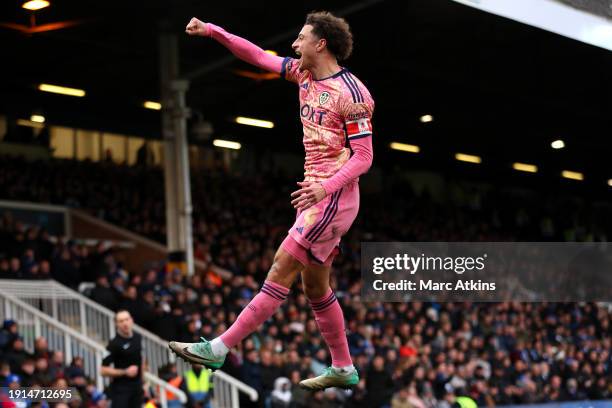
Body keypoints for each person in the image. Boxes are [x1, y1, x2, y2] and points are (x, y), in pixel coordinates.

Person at [170, 10, 374, 391]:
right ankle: (343, 367)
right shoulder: (303, 73)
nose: (294, 44)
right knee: (315, 287)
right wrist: (213, 30)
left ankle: (219, 347)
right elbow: (257, 56)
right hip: (315, 195)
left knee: (281, 266)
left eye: (300, 38)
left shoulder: (354, 94)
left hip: (332, 196)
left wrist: (325, 188)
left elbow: (364, 157)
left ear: (321, 43)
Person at [100, 310, 143, 407]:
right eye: (121, 321)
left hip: (137, 388)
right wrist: (125, 372)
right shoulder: (113, 344)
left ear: (131, 320)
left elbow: (140, 360)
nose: (125, 323)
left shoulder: (138, 338)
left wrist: (142, 383)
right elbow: (103, 371)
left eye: (126, 319)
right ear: (116, 324)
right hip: (121, 390)